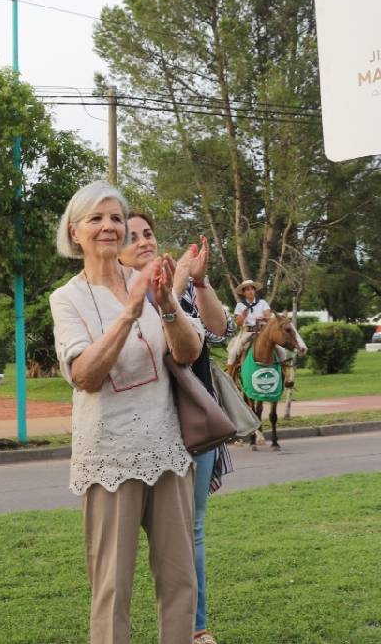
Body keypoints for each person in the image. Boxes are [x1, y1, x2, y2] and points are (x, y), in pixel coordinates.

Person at [50, 181, 203, 644]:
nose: (109, 227)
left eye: (116, 218)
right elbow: (85, 375)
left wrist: (167, 305)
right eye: (96, 219)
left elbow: (188, 353)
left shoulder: (147, 279)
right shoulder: (67, 299)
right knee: (112, 588)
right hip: (109, 457)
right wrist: (129, 312)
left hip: (167, 450)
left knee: (181, 582)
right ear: (75, 232)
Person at [119, 213, 234, 644]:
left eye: (148, 233)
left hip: (193, 427)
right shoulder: (121, 293)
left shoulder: (176, 285)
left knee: (193, 529)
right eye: (132, 237)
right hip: (145, 429)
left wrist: (198, 284)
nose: (144, 241)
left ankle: (194, 626)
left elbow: (219, 332)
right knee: (140, 536)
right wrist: (176, 286)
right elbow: (165, 349)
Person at [225, 279, 272, 368]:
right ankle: (230, 375)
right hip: (247, 332)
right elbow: (238, 323)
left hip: (263, 332)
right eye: (247, 289)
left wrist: (263, 318)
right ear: (244, 293)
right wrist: (243, 316)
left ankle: (285, 373)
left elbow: (269, 318)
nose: (250, 291)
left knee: (280, 349)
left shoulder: (263, 303)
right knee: (233, 352)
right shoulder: (239, 305)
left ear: (255, 290)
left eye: (252, 289)